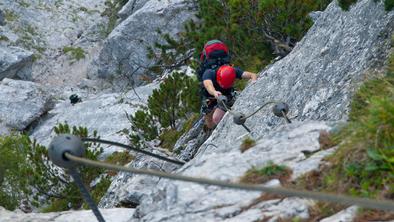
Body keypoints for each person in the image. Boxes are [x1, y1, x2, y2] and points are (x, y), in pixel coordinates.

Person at [201, 64, 257, 129]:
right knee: (210, 124)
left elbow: (252, 75)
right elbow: (208, 85)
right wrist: (214, 92)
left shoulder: (233, 71)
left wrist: (254, 82)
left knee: (216, 118)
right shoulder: (209, 73)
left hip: (226, 95)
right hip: (211, 97)